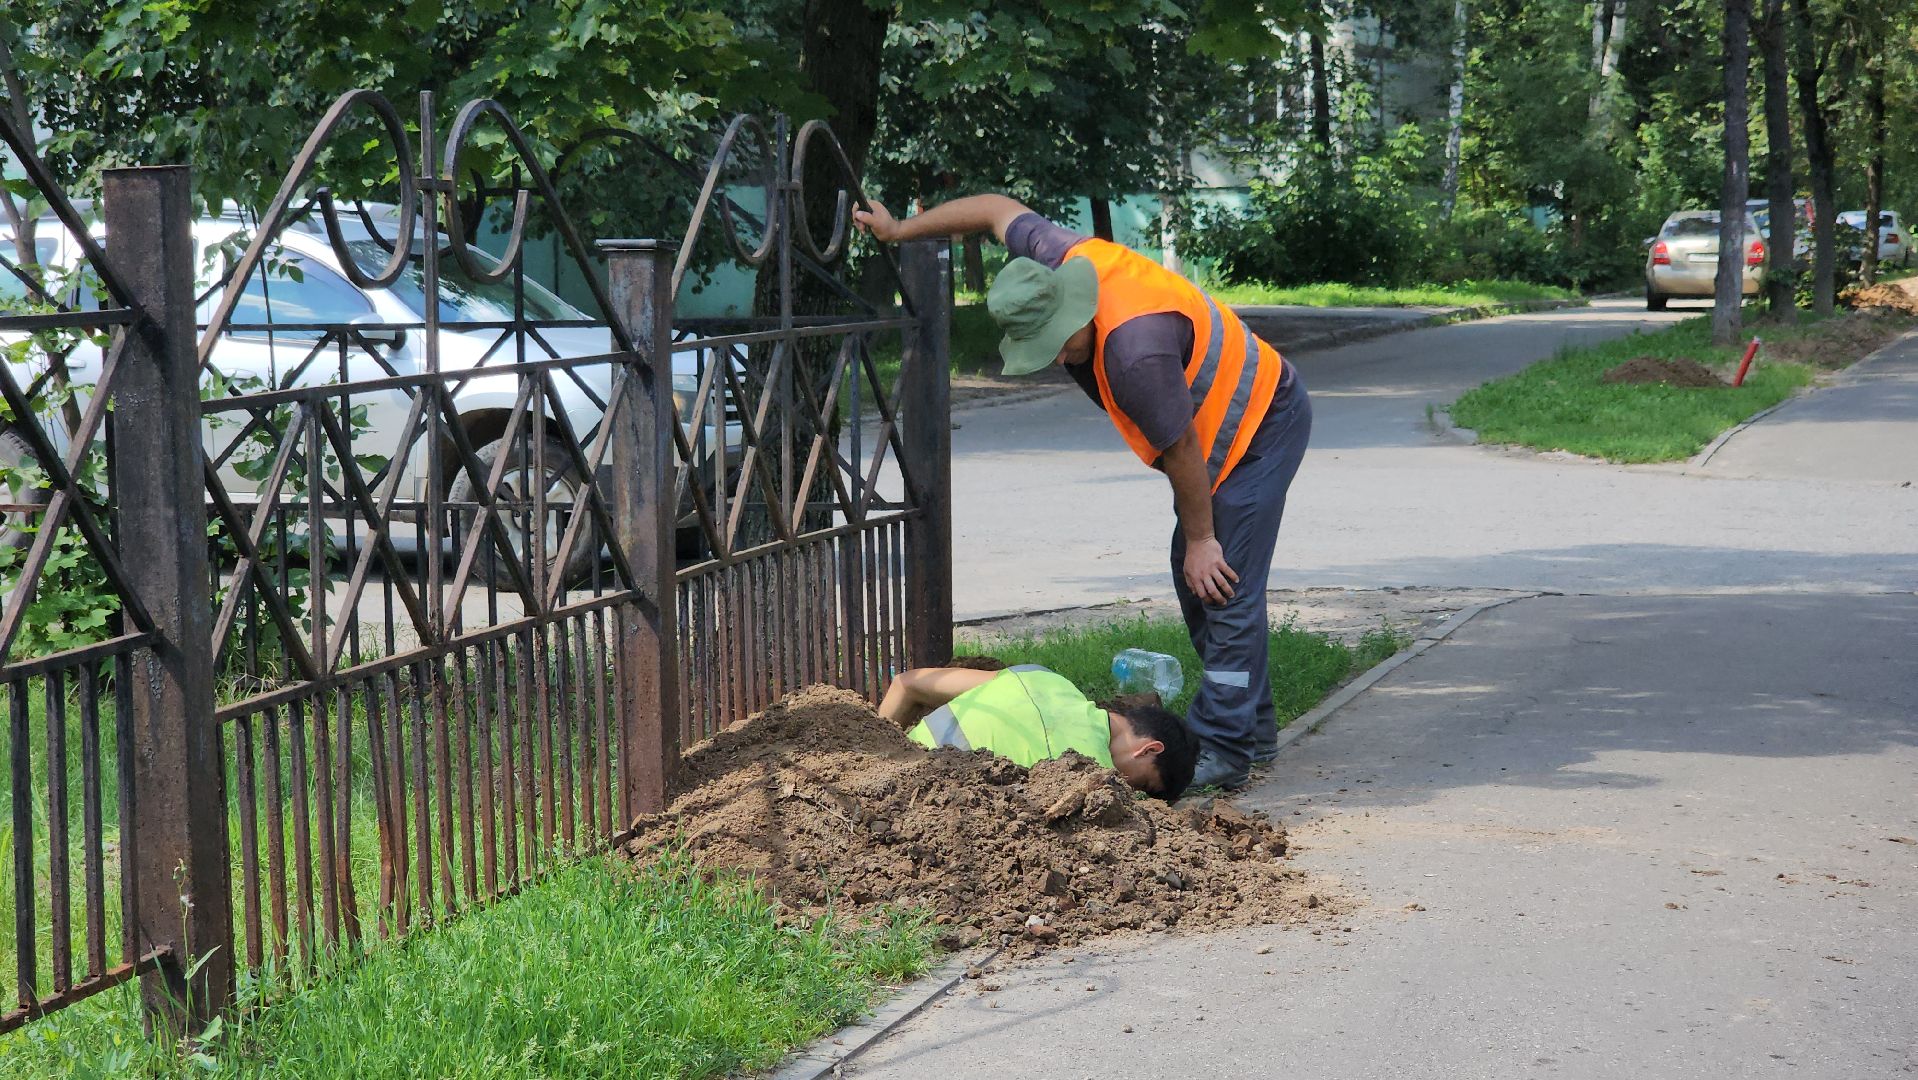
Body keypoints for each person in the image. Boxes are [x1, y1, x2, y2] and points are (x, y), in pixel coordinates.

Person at [855, 195, 1313, 789]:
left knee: (1220, 582)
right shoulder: (1054, 258)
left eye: (1057, 345)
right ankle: (1252, 727)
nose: (1057, 360)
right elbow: (996, 209)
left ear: (1077, 312)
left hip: (1258, 425)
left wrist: (1203, 537)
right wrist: (900, 230)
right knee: (1197, 573)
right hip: (1212, 433)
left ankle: (1225, 748)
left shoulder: (1134, 353)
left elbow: (1183, 453)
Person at [878, 660, 1198, 801]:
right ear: (1150, 749)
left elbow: (908, 684)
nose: (1127, 789)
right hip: (922, 815)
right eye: (1141, 783)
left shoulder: (1041, 676)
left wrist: (868, 758)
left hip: (881, 779)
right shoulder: (1090, 778)